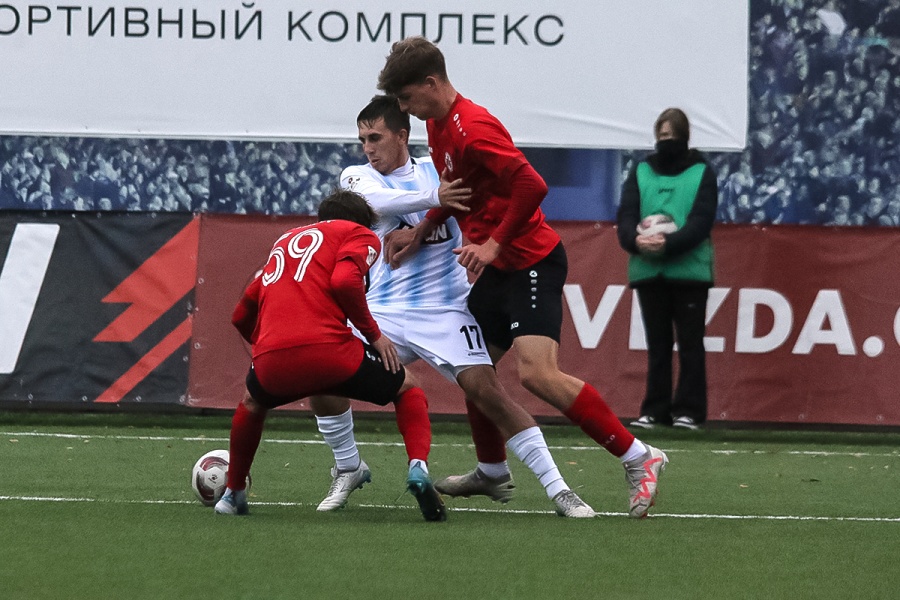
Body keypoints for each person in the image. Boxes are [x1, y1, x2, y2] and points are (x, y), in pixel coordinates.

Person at [377, 36, 667, 518]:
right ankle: (492, 470)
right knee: (474, 372)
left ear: (431, 83)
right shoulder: (437, 122)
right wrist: (423, 229)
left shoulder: (473, 127)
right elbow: (461, 192)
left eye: (406, 97)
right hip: (500, 268)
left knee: (537, 374)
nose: (403, 109)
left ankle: (639, 457)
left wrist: (493, 245)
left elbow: (533, 184)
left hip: (530, 262)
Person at [310, 95, 595, 518]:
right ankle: (349, 467)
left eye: (375, 138)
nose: (367, 148)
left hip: (447, 310)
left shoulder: (440, 171)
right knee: (321, 372)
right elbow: (375, 204)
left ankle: (561, 491)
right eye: (362, 139)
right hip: (383, 310)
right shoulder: (358, 177)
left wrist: (457, 204)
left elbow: (499, 192)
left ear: (402, 135)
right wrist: (436, 196)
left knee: (488, 393)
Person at [215, 189, 446, 522]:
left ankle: (233, 493)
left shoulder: (286, 241)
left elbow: (240, 315)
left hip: (272, 355)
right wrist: (374, 335)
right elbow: (344, 281)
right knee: (407, 386)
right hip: (330, 349)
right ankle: (418, 467)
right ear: (363, 222)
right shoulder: (358, 233)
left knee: (252, 402)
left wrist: (268, 349)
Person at [616, 107, 718, 430]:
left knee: (690, 344)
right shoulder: (641, 171)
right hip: (649, 272)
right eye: (662, 136)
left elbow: (701, 221)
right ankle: (655, 409)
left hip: (690, 273)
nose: (666, 142)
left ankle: (689, 410)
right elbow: (626, 216)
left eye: (672, 136)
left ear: (684, 138)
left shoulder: (702, 172)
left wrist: (667, 244)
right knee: (657, 345)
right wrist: (636, 240)